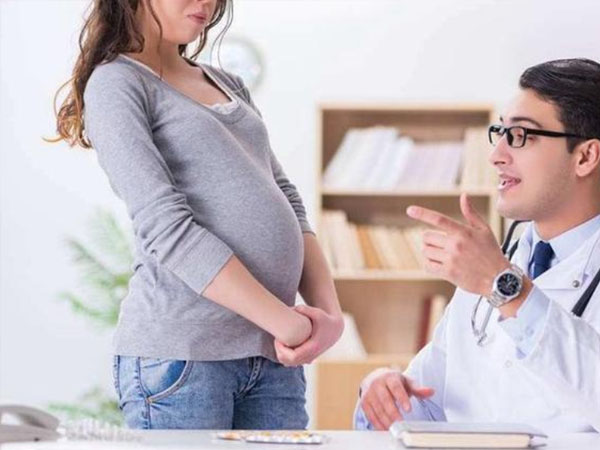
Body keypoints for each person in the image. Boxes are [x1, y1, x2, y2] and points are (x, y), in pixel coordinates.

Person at [49, 0, 343, 430]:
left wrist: (329, 314)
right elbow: (165, 228)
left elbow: (287, 198)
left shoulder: (228, 83)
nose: (207, 3)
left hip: (273, 357)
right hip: (184, 362)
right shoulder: (116, 83)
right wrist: (286, 322)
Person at [355, 58, 600, 434]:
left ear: (585, 156)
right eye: (500, 132)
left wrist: (504, 286)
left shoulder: (494, 274)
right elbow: (435, 406)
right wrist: (384, 395)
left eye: (520, 135)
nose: (496, 155)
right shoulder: (493, 264)